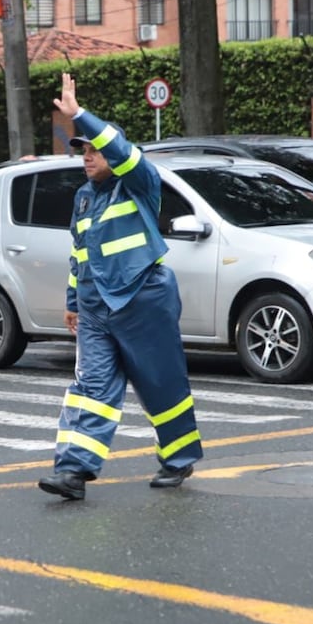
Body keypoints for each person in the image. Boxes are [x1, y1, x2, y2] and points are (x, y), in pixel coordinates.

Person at [37, 73, 203, 501]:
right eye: (82, 151)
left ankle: (179, 459)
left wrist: (79, 115)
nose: (87, 157)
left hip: (143, 298)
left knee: (161, 383)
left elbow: (121, 150)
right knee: (91, 388)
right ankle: (73, 472)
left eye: (94, 150)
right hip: (95, 308)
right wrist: (73, 302)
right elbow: (79, 253)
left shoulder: (140, 182)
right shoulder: (84, 197)